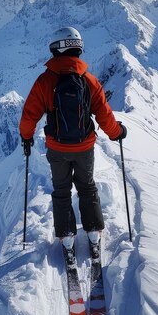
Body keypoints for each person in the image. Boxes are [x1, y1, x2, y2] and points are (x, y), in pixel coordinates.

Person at [19, 26, 127, 260]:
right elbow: (104, 115)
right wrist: (117, 132)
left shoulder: (45, 81)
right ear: (77, 49)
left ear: (56, 49)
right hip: (84, 146)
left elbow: (30, 115)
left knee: (61, 190)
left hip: (57, 147)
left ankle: (67, 238)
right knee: (87, 187)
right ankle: (93, 235)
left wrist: (26, 138)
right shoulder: (89, 80)